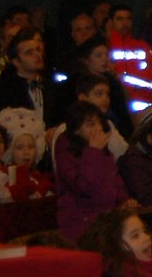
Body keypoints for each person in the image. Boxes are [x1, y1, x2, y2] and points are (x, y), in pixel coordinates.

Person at [54, 99, 133, 241]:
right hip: (81, 224)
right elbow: (83, 186)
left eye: (99, 123)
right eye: (91, 124)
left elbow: (114, 178)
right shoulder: (66, 148)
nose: (98, 128)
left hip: (106, 220)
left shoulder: (100, 148)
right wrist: (93, 152)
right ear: (77, 129)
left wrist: (124, 200)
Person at [0, 28, 48, 117]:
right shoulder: (2, 91)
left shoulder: (47, 86)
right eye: (29, 52)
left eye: (38, 50)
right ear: (16, 62)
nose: (37, 55)